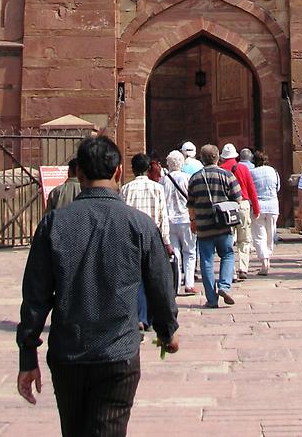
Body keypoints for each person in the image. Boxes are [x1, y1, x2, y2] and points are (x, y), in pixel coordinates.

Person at [17, 136, 179, 436]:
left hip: (68, 354)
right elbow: (160, 285)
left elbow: (35, 298)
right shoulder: (140, 224)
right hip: (119, 353)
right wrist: (167, 331)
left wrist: (27, 356)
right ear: (119, 171)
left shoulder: (53, 224)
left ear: (78, 173)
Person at [187, 144, 242, 307]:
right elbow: (238, 199)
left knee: (206, 261)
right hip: (224, 225)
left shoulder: (195, 178)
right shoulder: (227, 175)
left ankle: (211, 299)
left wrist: (193, 222)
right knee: (228, 254)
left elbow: (190, 204)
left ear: (201, 159)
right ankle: (224, 286)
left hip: (204, 226)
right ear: (218, 157)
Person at [121, 154, 172, 329]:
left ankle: (140, 315)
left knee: (136, 277)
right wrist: (166, 241)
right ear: (148, 169)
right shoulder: (157, 188)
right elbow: (162, 217)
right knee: (152, 277)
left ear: (133, 169)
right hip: (152, 235)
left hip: (130, 236)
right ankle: (147, 316)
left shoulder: (126, 188)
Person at [219, 143, 260, 280]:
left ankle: (231, 271)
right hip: (243, 204)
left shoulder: (220, 170)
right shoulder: (242, 168)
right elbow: (251, 189)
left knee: (228, 239)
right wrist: (256, 208)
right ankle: (243, 268)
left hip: (226, 206)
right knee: (244, 239)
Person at [161, 150, 198, 295]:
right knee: (189, 251)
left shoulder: (163, 180)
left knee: (174, 253)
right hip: (186, 218)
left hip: (169, 220)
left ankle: (175, 284)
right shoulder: (187, 178)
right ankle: (189, 284)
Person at [249, 151, 280, 275]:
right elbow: (278, 187)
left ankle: (264, 261)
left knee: (259, 235)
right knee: (270, 234)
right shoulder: (274, 171)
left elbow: (250, 189)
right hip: (273, 205)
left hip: (258, 206)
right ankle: (268, 257)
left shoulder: (252, 173)